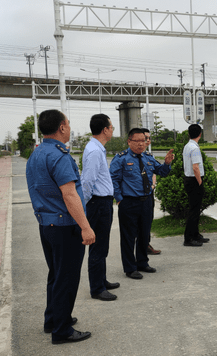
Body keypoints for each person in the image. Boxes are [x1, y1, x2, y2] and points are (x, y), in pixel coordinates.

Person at [26, 109, 95, 344]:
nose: (69, 127)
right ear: (63, 127)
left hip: (46, 225)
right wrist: (86, 227)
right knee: (66, 277)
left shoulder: (36, 154)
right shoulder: (59, 156)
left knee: (56, 274)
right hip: (65, 226)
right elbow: (70, 195)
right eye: (68, 123)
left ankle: (53, 319)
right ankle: (62, 330)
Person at [110, 128, 174, 280]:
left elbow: (161, 172)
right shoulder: (121, 158)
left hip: (146, 201)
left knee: (144, 234)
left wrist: (166, 164)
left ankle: (142, 262)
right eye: (137, 141)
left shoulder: (148, 157)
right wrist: (119, 199)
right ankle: (130, 268)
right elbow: (113, 180)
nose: (141, 144)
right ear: (129, 141)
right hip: (129, 202)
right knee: (128, 236)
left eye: (143, 141)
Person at [81, 114, 120, 301]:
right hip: (97, 202)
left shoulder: (97, 148)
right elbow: (87, 182)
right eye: (111, 127)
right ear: (105, 129)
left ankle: (101, 280)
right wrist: (86, 204)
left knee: (102, 245)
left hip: (102, 202)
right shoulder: (95, 151)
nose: (112, 130)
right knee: (98, 246)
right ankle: (97, 288)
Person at [182, 124, 210, 246]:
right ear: (200, 134)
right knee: (194, 210)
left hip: (188, 179)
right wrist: (200, 182)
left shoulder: (187, 146)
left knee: (195, 209)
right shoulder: (194, 148)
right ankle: (189, 238)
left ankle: (195, 234)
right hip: (194, 180)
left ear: (189, 134)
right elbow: (195, 167)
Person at [141, 128, 161, 255]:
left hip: (149, 192)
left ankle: (146, 245)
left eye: (149, 138)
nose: (148, 140)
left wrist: (153, 185)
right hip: (136, 195)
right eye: (145, 138)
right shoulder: (128, 156)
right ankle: (140, 248)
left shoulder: (149, 155)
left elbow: (155, 171)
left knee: (148, 220)